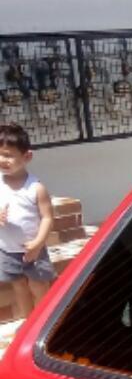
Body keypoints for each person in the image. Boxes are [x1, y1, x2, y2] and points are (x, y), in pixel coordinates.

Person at [0, 123, 56, 318]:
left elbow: (48, 217)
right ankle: (28, 323)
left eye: (8, 155)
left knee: (39, 286)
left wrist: (38, 243)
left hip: (34, 250)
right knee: (19, 287)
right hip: (7, 250)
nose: (2, 160)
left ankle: (42, 324)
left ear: (27, 157)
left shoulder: (35, 188)